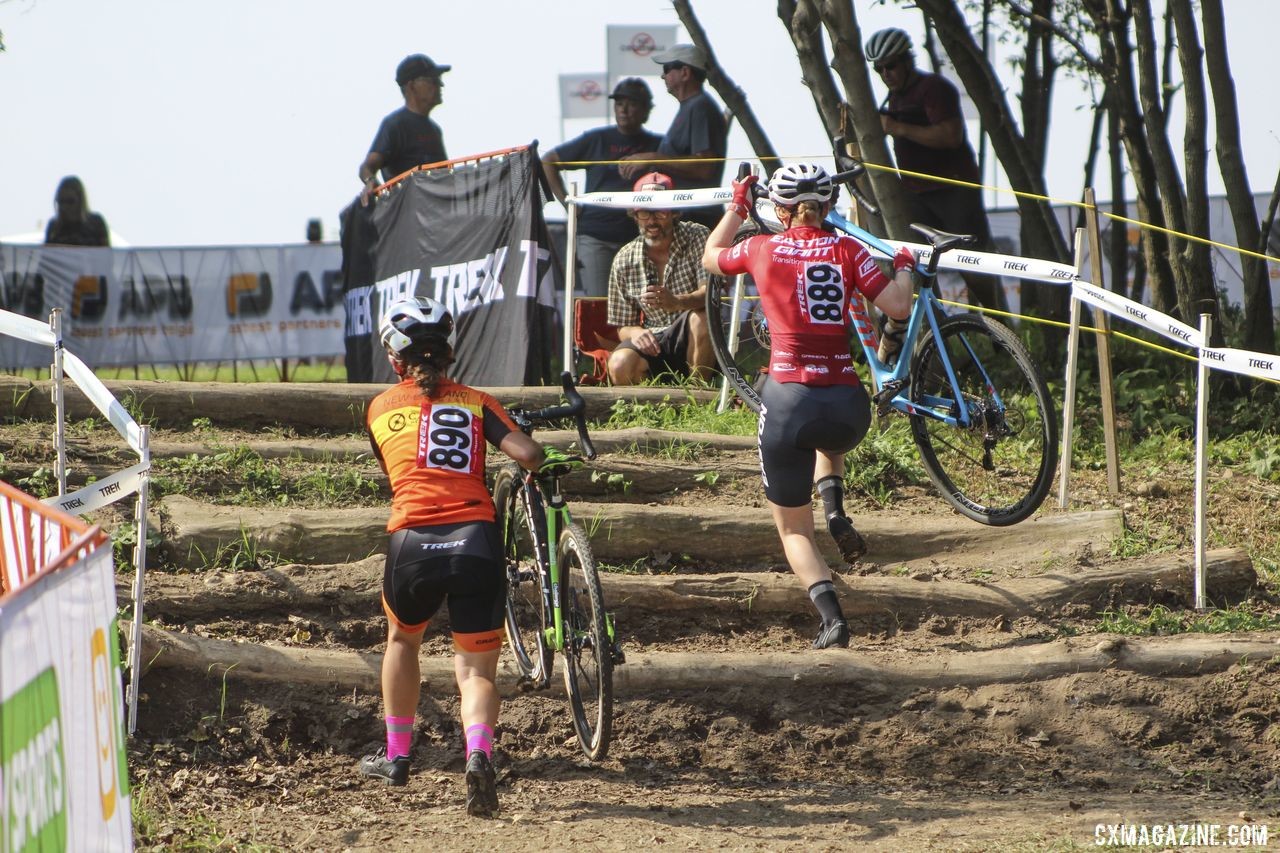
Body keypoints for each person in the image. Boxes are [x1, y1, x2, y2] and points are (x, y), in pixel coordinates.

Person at [360, 296, 580, 816]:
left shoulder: (379, 407)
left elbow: (394, 469)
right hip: (475, 540)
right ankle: (479, 753)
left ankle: (396, 757)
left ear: (396, 360)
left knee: (402, 640)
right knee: (476, 671)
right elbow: (527, 455)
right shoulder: (478, 401)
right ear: (450, 353)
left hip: (411, 542)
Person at [702, 164, 915, 649]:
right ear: (829, 208)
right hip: (847, 405)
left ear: (778, 210)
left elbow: (712, 256)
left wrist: (738, 206)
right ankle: (835, 507)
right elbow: (899, 306)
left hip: (787, 399)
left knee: (794, 529)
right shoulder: (847, 249)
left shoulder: (761, 247)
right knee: (827, 433)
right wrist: (902, 264)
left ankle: (832, 619)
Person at [864, 27, 1006, 313]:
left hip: (953, 191)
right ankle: (940, 332)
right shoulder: (895, 97)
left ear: (907, 60)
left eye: (890, 65)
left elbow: (950, 136)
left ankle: (1000, 333)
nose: (885, 74)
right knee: (920, 266)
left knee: (973, 265)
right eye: (878, 69)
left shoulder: (934, 89)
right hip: (917, 195)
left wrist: (898, 128)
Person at [542, 78, 663, 299]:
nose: (624, 110)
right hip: (596, 237)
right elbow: (548, 161)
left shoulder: (659, 146)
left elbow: (688, 166)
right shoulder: (597, 139)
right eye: (619, 103)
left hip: (641, 238)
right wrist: (568, 202)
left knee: (643, 304)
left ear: (646, 110)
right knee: (600, 303)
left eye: (632, 103)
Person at [606, 172, 718, 385]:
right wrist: (637, 332)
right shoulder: (624, 258)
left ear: (674, 212)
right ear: (634, 214)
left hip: (694, 335)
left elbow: (710, 295)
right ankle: (646, 413)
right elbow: (622, 326)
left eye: (659, 212)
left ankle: (700, 399)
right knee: (619, 364)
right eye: (644, 213)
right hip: (654, 338)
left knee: (702, 318)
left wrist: (676, 302)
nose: (652, 221)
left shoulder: (698, 235)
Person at [617, 44, 728, 230]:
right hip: (686, 215)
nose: (662, 75)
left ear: (685, 72)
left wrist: (651, 158)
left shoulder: (701, 107)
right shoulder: (691, 107)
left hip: (697, 218)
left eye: (667, 69)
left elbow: (705, 167)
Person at [358, 54, 450, 207]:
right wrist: (370, 181)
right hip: (408, 214)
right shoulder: (395, 124)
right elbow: (367, 166)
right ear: (411, 86)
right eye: (432, 80)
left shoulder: (434, 130)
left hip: (435, 213)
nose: (440, 85)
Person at [44, 176, 110, 247]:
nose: (64, 207)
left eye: (70, 202)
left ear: (81, 202)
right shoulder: (54, 227)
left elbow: (106, 255)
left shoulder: (95, 223)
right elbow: (46, 255)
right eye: (61, 201)